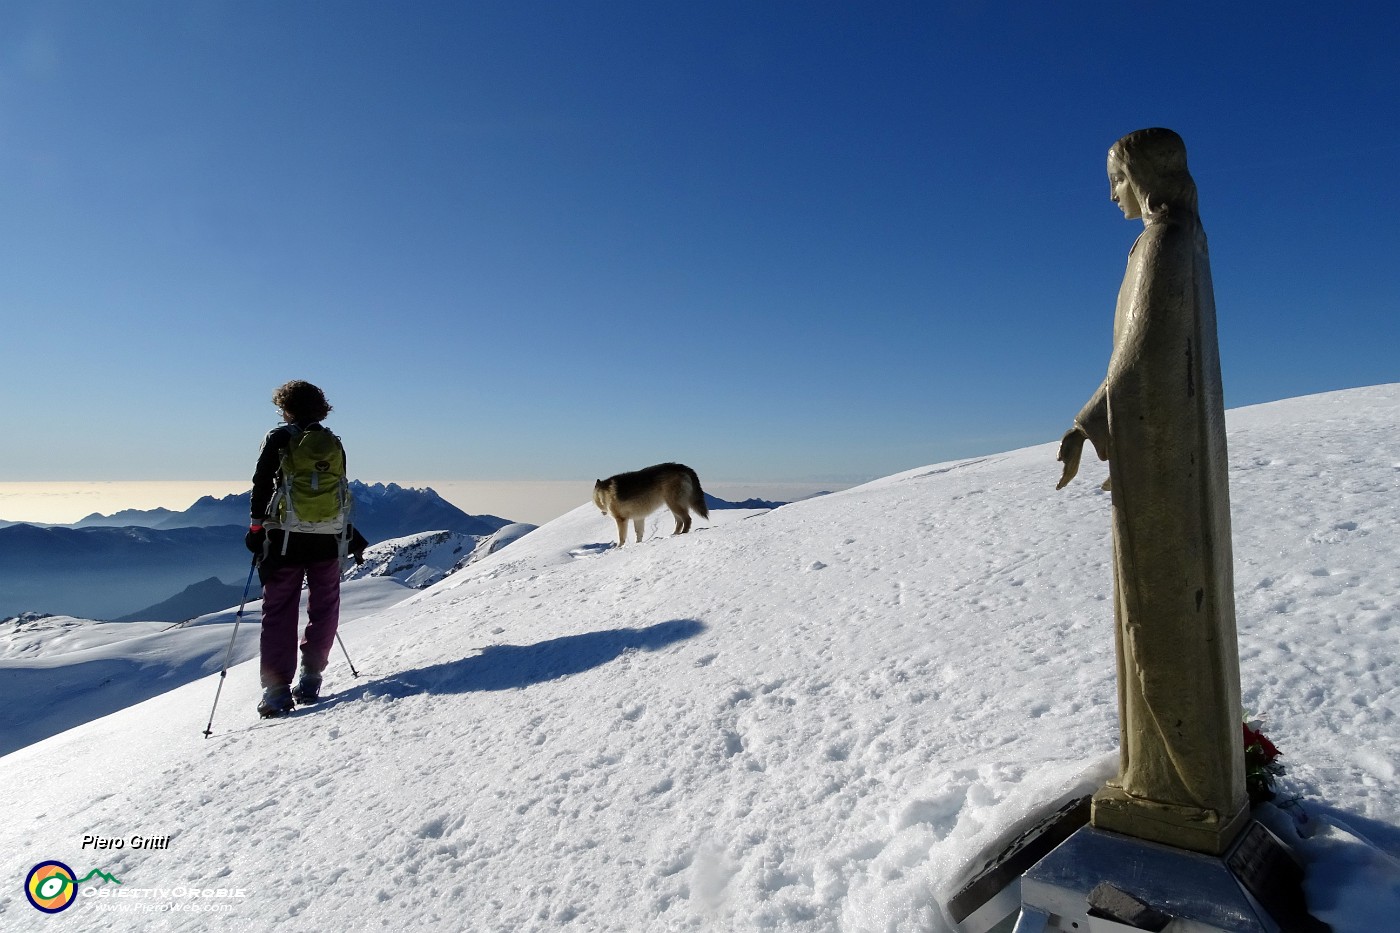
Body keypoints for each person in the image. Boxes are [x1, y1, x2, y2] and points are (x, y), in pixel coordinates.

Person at [1055, 129, 1248, 854]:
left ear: (1138, 171)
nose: (1111, 193)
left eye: (1114, 177)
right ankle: (1169, 773)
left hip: (1161, 482)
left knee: (1159, 612)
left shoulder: (1165, 242)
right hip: (1164, 468)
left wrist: (1085, 423)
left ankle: (1176, 786)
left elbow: (1139, 360)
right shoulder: (1182, 241)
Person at [246, 380, 366, 718]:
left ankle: (277, 692)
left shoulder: (280, 438)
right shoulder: (332, 443)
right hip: (329, 536)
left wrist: (256, 529)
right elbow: (339, 490)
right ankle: (311, 680)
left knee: (279, 611)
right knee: (325, 605)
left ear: (287, 408)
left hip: (286, 538)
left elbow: (261, 482)